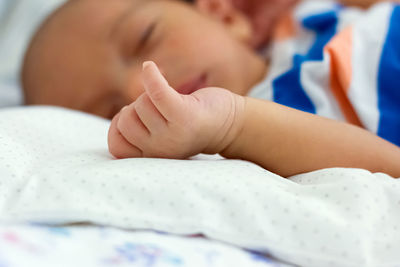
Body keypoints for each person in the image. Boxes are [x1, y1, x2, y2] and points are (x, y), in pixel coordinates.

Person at [21, 0, 400, 178]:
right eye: (112, 111)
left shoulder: (303, 18)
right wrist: (233, 126)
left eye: (145, 38)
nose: (142, 86)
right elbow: (388, 169)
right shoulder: (272, 137)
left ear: (224, 13)